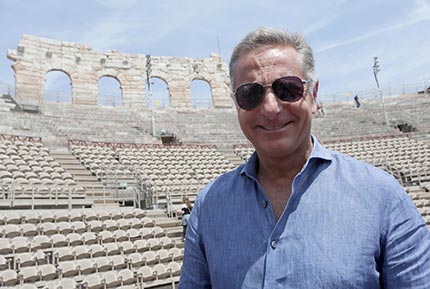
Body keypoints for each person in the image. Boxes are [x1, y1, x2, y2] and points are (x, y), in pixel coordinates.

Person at [178, 27, 430, 289]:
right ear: (236, 103)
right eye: (250, 94)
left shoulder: (384, 197)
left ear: (313, 93)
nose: (271, 108)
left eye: (287, 89)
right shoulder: (209, 205)